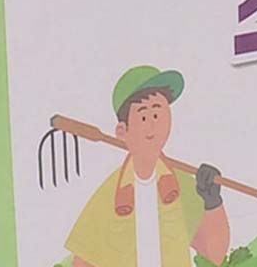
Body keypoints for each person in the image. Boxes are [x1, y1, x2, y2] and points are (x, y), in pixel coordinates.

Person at [65, 66, 231, 267]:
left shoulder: (182, 186)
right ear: (122, 131)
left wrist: (212, 202)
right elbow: (83, 261)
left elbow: (213, 253)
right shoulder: (110, 194)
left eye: (158, 114)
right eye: (144, 117)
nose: (153, 125)